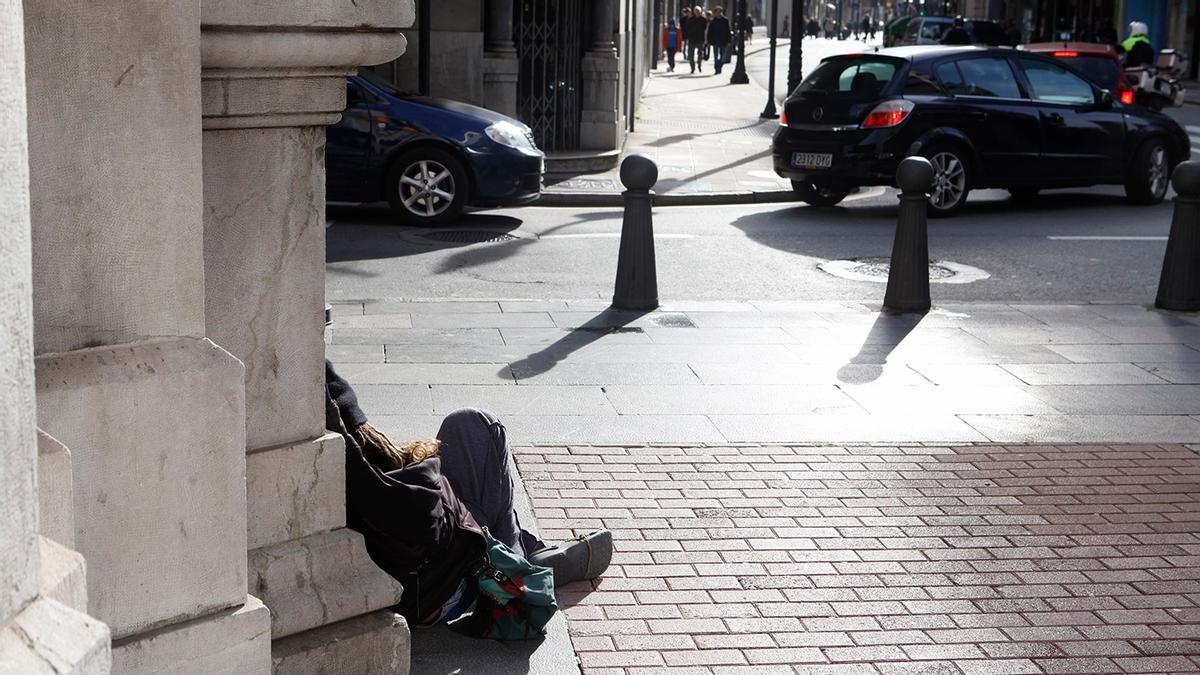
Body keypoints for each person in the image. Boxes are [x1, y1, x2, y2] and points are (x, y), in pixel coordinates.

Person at [326, 361, 613, 627]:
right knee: (475, 425)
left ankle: (522, 552)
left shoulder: (348, 466)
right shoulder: (357, 472)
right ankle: (515, 570)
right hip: (442, 586)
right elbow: (387, 503)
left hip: (425, 572)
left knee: (467, 441)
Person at [706, 5, 733, 74]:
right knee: (715, 55)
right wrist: (709, 42)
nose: (718, 13)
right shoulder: (713, 21)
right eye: (717, 12)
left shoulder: (725, 20)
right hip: (715, 41)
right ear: (715, 13)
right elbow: (710, 32)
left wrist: (729, 41)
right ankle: (716, 68)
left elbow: (728, 31)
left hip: (723, 40)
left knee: (723, 56)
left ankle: (720, 65)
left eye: (720, 11)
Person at [684, 4, 708, 73]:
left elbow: (704, 27)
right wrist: (691, 33)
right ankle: (692, 68)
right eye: (696, 11)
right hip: (692, 39)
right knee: (691, 55)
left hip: (700, 39)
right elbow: (687, 28)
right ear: (694, 12)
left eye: (698, 12)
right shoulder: (690, 19)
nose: (697, 13)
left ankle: (699, 66)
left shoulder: (703, 19)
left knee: (700, 54)